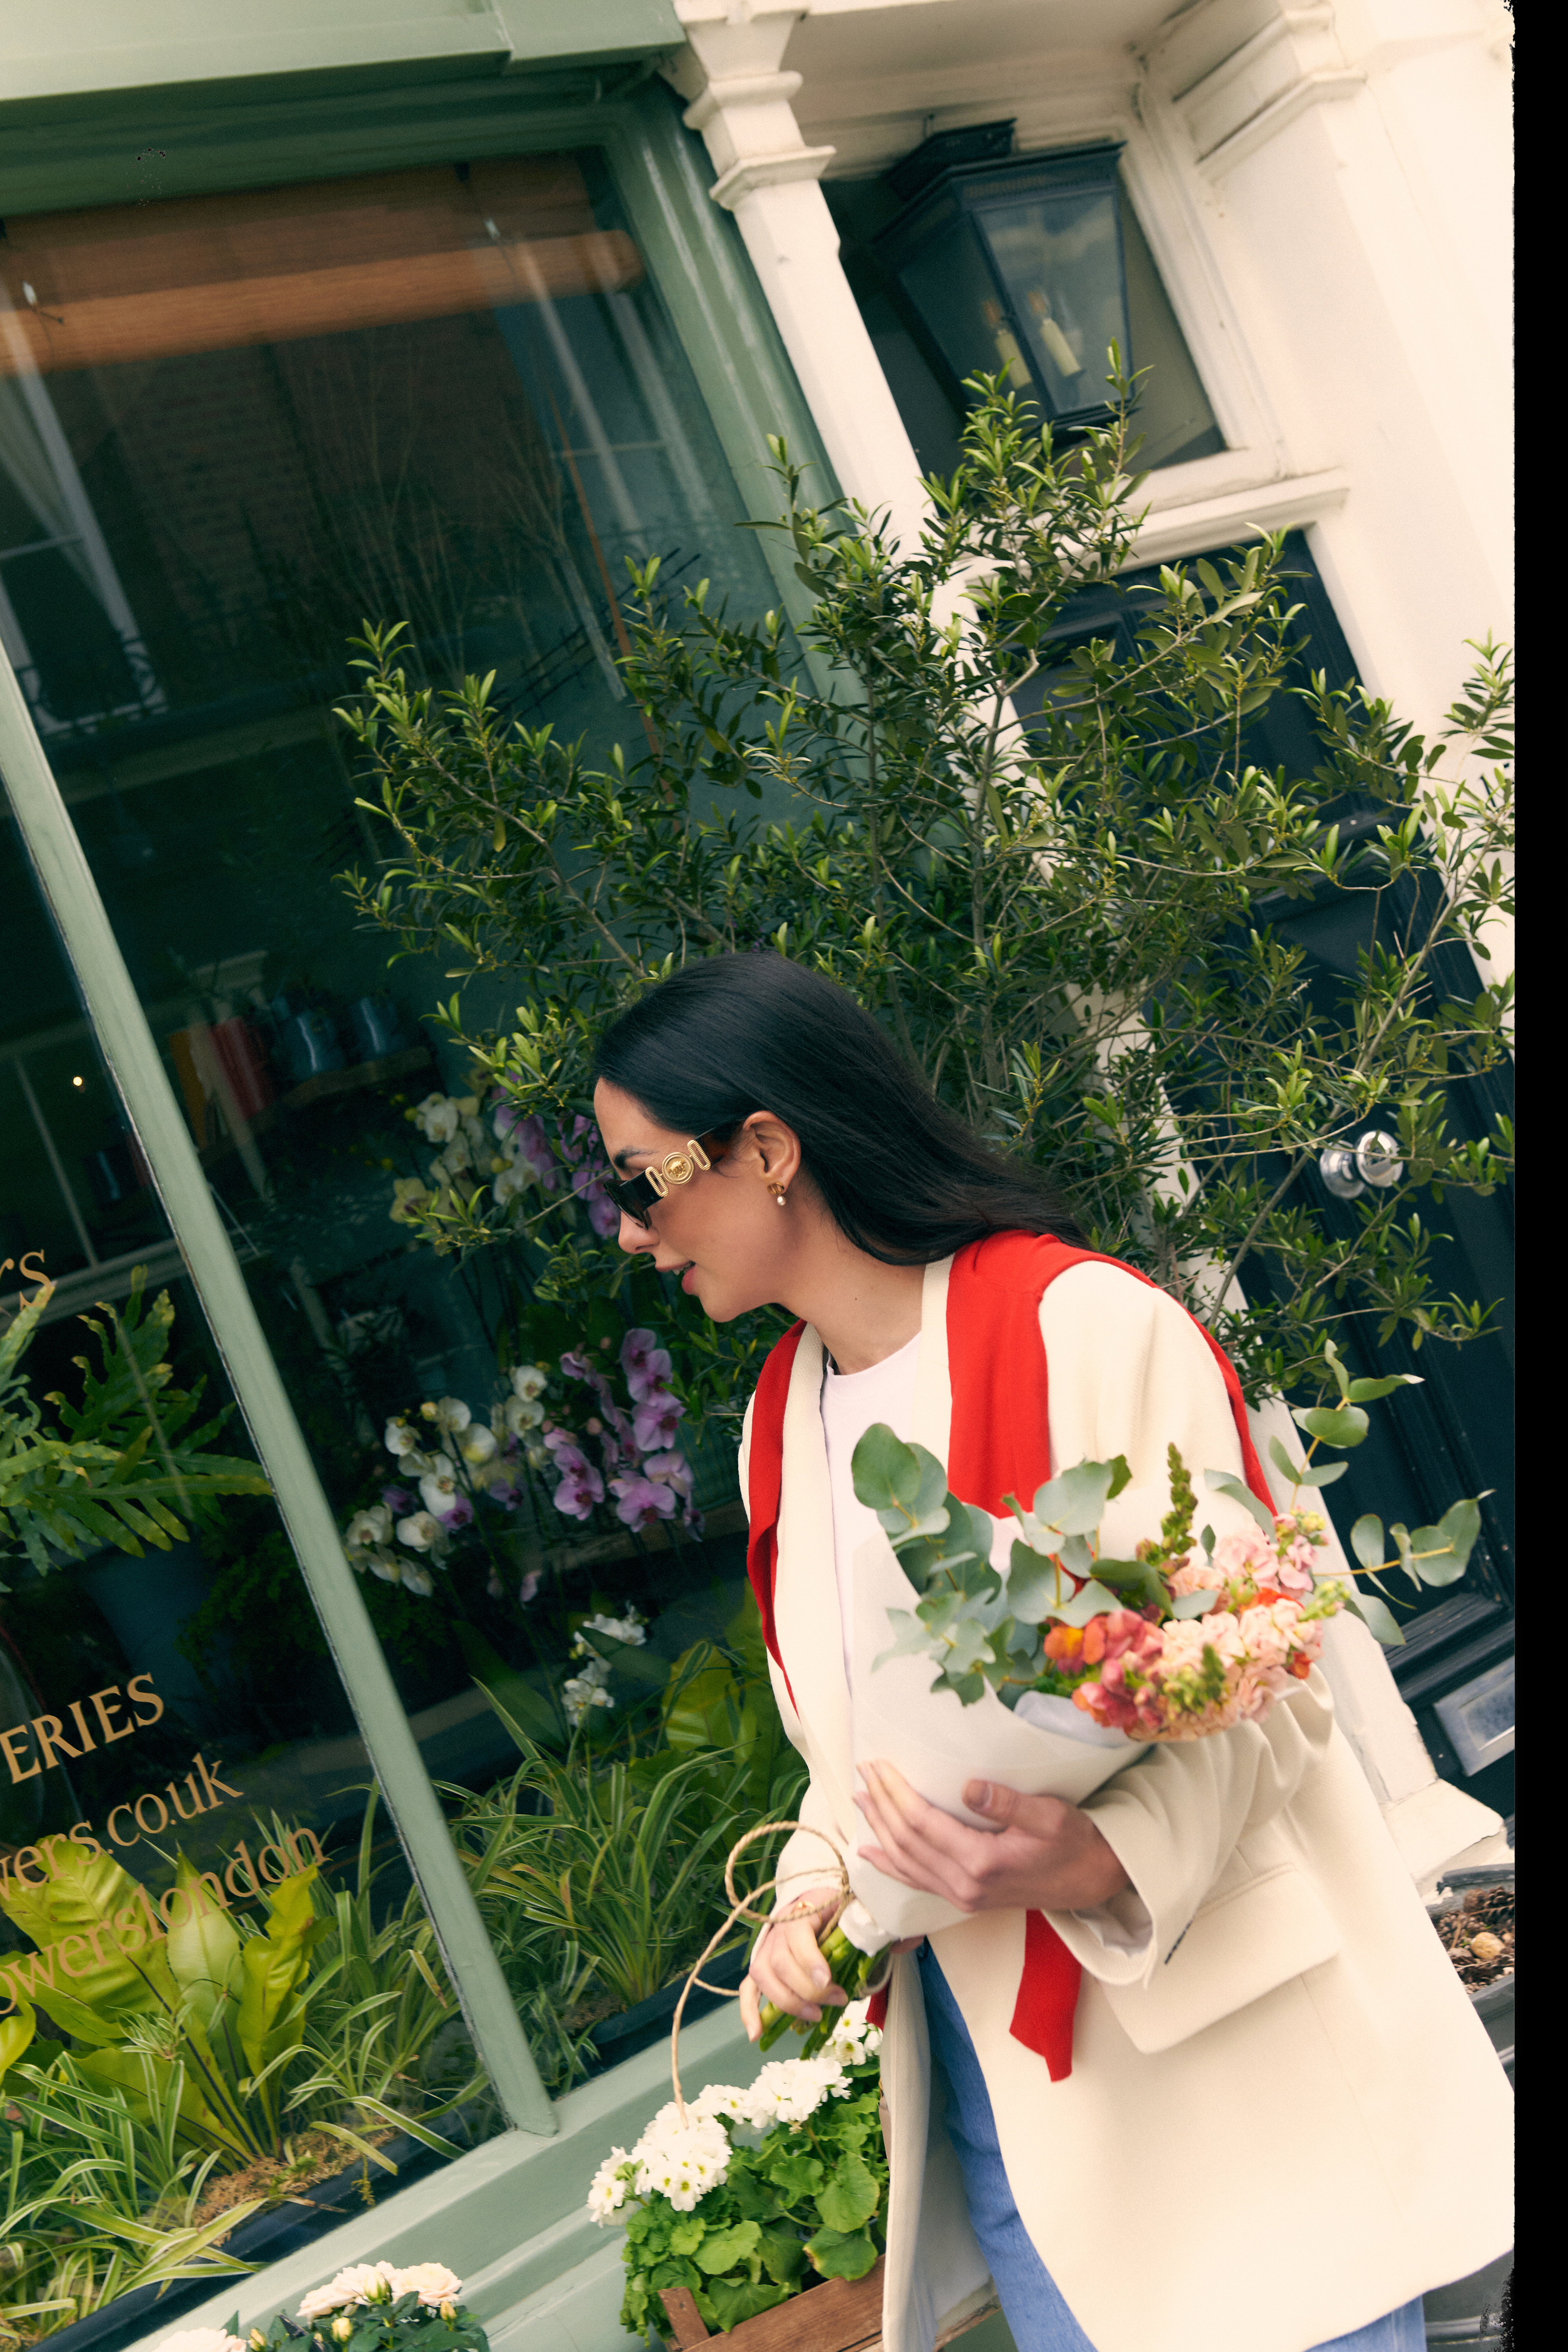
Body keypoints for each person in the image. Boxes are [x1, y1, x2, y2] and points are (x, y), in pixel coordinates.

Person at [592, 953, 1512, 2352]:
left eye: (642, 1179)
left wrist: (1094, 1859)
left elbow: (1272, 1679)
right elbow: (863, 1751)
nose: (630, 1231)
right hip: (1019, 2121)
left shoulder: (1081, 1324)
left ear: (767, 1149)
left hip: (1234, 2093)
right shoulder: (780, 1422)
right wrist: (806, 1904)